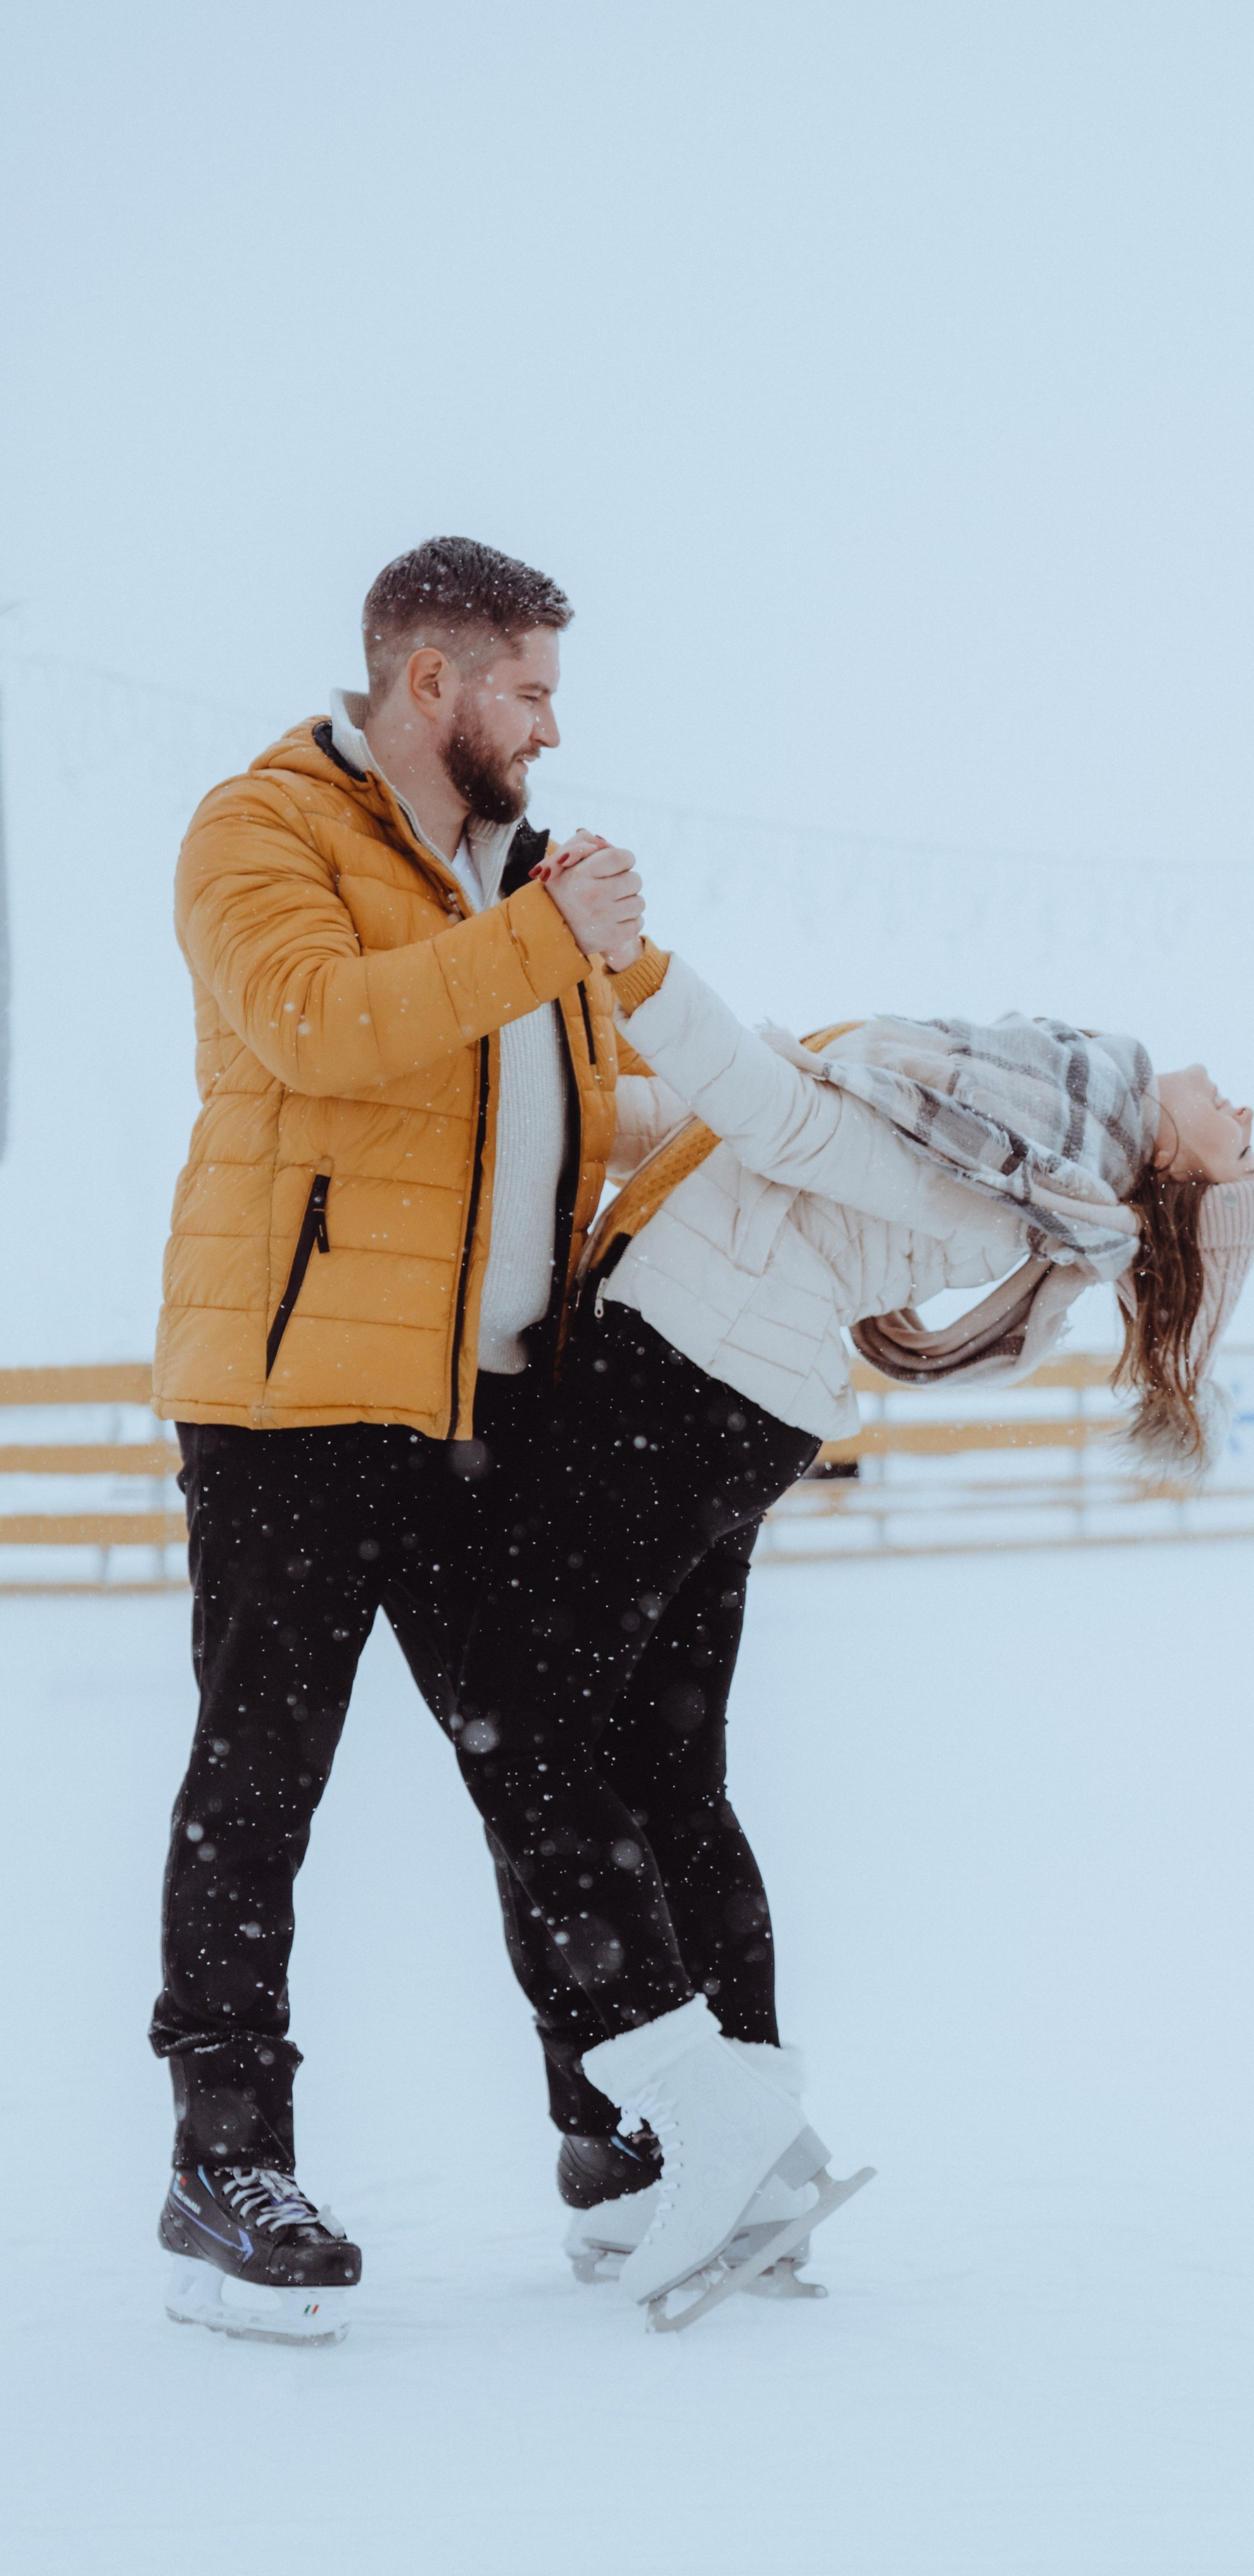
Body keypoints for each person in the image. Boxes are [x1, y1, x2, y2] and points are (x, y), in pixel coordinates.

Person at [444, 833, 1254, 2314]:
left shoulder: (1024, 1166)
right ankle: (734, 2138)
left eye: (1244, 1147)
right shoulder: (1022, 1102)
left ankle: (673, 2106)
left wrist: (631, 967)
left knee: (535, 1743)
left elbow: (775, 1121)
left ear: (1168, 1175)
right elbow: (721, 1139)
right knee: (662, 1771)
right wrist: (543, 1099)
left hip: (673, 1398)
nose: (1246, 1110)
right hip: (712, 1404)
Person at [148, 536, 659, 2347]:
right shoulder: (262, 830)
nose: (547, 724)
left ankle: (621, 2144)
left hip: (484, 1413)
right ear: (429, 682)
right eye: (525, 687)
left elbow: (644, 1090)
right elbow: (319, 1028)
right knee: (261, 1783)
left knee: (550, 1775)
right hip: (293, 1406)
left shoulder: (523, 876)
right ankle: (226, 2162)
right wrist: (538, 939)